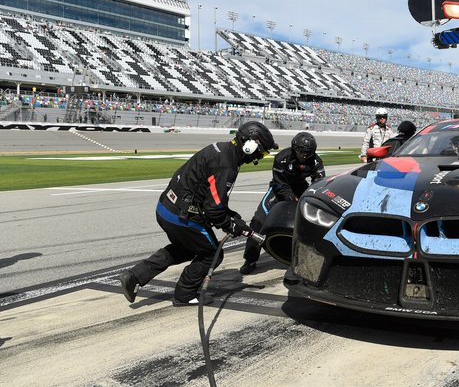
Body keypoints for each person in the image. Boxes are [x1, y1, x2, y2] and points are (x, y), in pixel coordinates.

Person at [119, 121, 278, 306]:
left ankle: (134, 276)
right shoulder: (226, 165)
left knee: (187, 248)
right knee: (212, 254)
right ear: (250, 145)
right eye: (263, 151)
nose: (260, 156)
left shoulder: (220, 149)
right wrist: (232, 225)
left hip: (166, 208)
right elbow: (214, 211)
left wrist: (233, 218)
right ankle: (184, 294)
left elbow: (210, 199)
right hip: (182, 215)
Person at [240, 131, 325, 274]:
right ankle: (250, 258)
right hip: (279, 188)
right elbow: (281, 186)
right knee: (258, 220)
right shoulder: (282, 158)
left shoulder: (316, 161)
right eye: (301, 151)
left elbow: (318, 184)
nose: (304, 155)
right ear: (294, 148)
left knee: (312, 220)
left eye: (309, 153)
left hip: (301, 189)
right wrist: (292, 199)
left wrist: (308, 199)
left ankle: (307, 256)